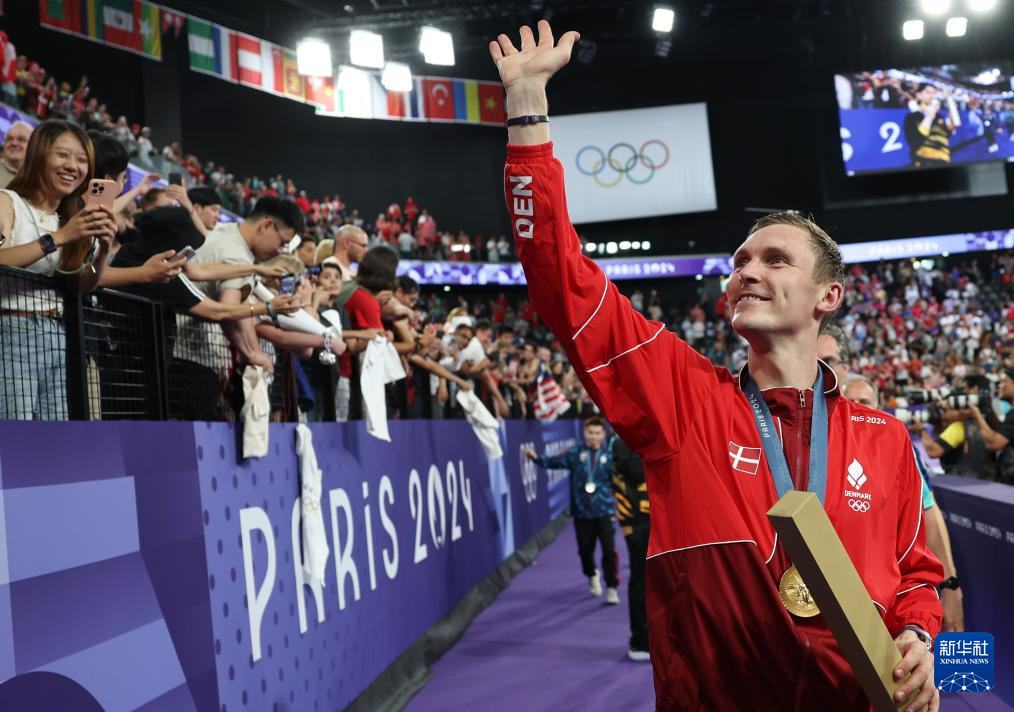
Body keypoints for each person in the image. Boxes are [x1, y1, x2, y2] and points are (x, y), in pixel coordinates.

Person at [491, 21, 941, 711]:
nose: (746, 272)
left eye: (775, 260)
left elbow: (916, 574)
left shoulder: (885, 438)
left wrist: (917, 635)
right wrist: (527, 107)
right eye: (739, 262)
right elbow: (561, 280)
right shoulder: (682, 397)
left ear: (828, 297)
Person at [0, 120, 117, 419]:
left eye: (81, 160)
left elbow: (83, 284)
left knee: (55, 436)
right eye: (62, 155)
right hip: (12, 330)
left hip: (60, 335)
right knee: (15, 434)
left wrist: (103, 251)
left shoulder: (70, 218)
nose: (73, 166)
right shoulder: (7, 202)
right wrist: (59, 238)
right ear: (39, 155)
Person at [844, 374, 964, 634]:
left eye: (864, 401)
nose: (857, 408)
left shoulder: (895, 445)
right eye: (850, 401)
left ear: (878, 405)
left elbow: (928, 513)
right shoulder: (828, 448)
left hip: (888, 603)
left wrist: (950, 583)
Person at [193, 196, 304, 374]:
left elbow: (239, 308)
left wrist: (253, 351)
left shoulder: (227, 230)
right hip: (192, 357)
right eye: (282, 242)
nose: (279, 251)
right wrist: (251, 353)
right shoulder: (238, 257)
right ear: (266, 225)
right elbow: (229, 313)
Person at [526, 417, 620, 604]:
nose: (593, 437)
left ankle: (611, 587)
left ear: (603, 435)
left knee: (609, 551)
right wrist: (536, 458)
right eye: (590, 432)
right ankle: (591, 573)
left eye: (597, 433)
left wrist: (620, 505)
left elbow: (618, 482)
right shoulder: (575, 453)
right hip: (581, 513)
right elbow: (554, 462)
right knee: (585, 550)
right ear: (584, 433)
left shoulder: (610, 457)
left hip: (605, 511)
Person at [609, 432, 651, 661]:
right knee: (641, 581)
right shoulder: (622, 443)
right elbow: (639, 471)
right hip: (637, 523)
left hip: (656, 520)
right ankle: (640, 640)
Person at [903, 83, 958, 169]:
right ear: (918, 95)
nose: (932, 96)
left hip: (944, 160)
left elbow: (944, 136)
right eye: (928, 92)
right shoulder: (913, 117)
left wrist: (951, 126)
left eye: (934, 93)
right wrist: (929, 117)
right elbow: (915, 141)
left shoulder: (940, 117)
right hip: (924, 161)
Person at [0, 120, 32, 188]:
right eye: (9, 139)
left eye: (21, 139)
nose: (14, 143)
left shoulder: (37, 180)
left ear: (33, 145)